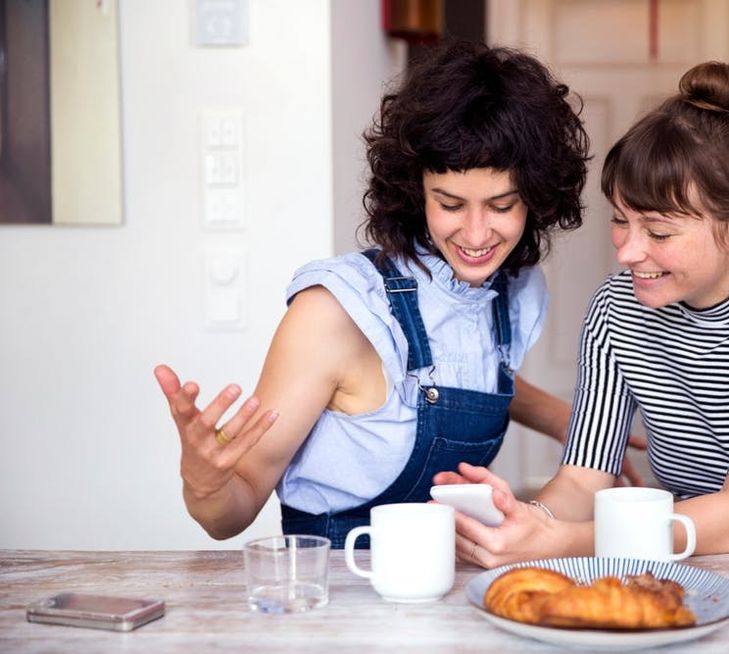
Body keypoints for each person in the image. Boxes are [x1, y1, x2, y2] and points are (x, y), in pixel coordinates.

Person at [437, 60, 729, 566]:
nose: (628, 252)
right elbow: (582, 480)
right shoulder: (617, 308)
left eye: (658, 233)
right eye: (621, 221)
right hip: (687, 546)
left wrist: (561, 541)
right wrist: (524, 522)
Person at [153, 40, 604, 548]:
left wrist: (567, 420)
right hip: (338, 603)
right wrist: (204, 482)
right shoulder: (335, 313)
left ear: (537, 198)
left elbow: (462, 363)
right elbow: (229, 514)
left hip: (451, 594)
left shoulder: (509, 293)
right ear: (416, 190)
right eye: (450, 204)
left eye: (502, 206)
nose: (477, 236)